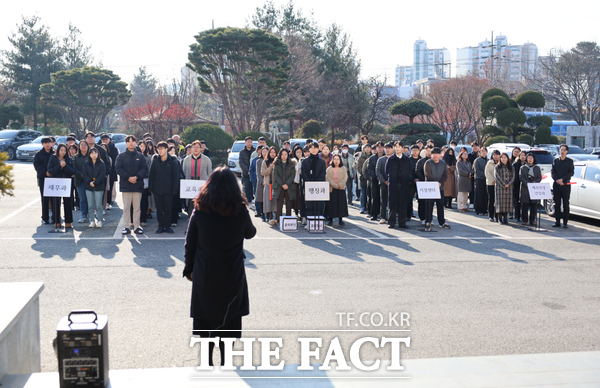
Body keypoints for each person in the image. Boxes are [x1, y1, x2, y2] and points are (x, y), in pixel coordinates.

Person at [183, 167, 256, 367]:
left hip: (205, 274)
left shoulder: (200, 208)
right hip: (231, 274)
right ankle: (226, 366)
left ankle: (207, 366)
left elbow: (190, 243)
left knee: (206, 328)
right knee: (228, 328)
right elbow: (250, 233)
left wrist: (189, 270)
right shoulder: (239, 209)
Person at [115, 135, 149, 235]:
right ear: (126, 143)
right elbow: (118, 168)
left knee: (137, 207)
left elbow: (144, 169)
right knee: (126, 208)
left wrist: (136, 177)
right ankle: (127, 226)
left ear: (135, 143)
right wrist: (128, 177)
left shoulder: (140, 156)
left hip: (137, 184)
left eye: (132, 141)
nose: (130, 143)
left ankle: (137, 226)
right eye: (128, 141)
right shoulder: (121, 156)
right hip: (126, 184)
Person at [148, 141, 180, 234]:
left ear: (166, 149)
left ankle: (167, 226)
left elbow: (176, 176)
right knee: (159, 209)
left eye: (162, 148)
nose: (160, 151)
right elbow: (151, 175)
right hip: (157, 189)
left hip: (169, 189)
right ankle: (161, 225)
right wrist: (151, 188)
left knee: (168, 209)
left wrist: (175, 189)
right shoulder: (155, 160)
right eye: (159, 149)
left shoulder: (173, 160)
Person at [47, 143, 76, 229]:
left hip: (66, 184)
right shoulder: (53, 159)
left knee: (68, 203)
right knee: (56, 203)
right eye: (61, 150)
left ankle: (68, 222)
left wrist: (65, 166)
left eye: (64, 150)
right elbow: (50, 171)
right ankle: (57, 221)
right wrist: (60, 166)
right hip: (56, 183)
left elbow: (72, 171)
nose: (63, 152)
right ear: (58, 150)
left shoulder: (69, 159)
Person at [182, 140, 213, 216]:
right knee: (191, 205)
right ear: (191, 148)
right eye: (194, 147)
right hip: (190, 186)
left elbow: (209, 173)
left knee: (202, 204)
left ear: (201, 149)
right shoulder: (186, 160)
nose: (195, 149)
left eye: (197, 147)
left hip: (202, 186)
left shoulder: (206, 160)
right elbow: (184, 171)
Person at [386, 141, 411, 229]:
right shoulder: (390, 159)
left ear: (402, 148)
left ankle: (402, 222)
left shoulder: (407, 159)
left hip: (404, 184)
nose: (398, 148)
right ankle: (391, 222)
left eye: (399, 147)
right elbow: (387, 171)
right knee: (392, 204)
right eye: (396, 146)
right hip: (393, 184)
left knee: (403, 204)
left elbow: (410, 171)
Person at [424, 147, 450, 230]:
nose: (435, 156)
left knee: (440, 206)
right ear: (431, 155)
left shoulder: (443, 164)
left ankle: (441, 222)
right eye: (434, 154)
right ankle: (428, 221)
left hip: (440, 188)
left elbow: (445, 175)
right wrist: (435, 183)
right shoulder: (428, 163)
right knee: (429, 206)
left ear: (440, 155)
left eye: (437, 154)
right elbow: (428, 174)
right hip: (430, 188)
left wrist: (440, 183)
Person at [301, 142, 327, 220]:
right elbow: (303, 173)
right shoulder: (305, 161)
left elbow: (323, 173)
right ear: (309, 149)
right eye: (312, 148)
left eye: (315, 148)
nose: (314, 150)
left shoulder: (322, 162)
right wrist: (309, 183)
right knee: (309, 205)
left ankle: (318, 221)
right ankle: (309, 222)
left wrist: (316, 183)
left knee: (318, 204)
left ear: (318, 149)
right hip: (308, 187)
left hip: (318, 187)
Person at [551, 144, 575, 228]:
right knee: (557, 204)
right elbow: (552, 172)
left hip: (565, 185)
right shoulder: (555, 161)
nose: (562, 151)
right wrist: (557, 180)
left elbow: (571, 172)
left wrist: (562, 179)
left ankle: (565, 222)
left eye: (564, 150)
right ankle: (557, 221)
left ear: (567, 152)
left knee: (565, 204)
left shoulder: (570, 161)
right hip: (556, 185)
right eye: (561, 149)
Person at [271, 148, 296, 226]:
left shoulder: (291, 163)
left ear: (288, 155)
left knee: (289, 205)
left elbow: (293, 175)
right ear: (280, 155)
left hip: (289, 187)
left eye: (285, 154)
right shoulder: (277, 163)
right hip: (279, 187)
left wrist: (287, 184)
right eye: (282, 154)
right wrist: (282, 184)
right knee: (279, 205)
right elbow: (275, 175)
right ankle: (278, 220)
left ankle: (288, 221)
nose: (284, 156)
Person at [83, 147, 106, 228]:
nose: (94, 155)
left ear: (98, 154)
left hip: (99, 186)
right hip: (89, 186)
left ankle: (99, 220)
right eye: (92, 153)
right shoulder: (86, 163)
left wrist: (95, 183)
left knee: (99, 205)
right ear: (89, 154)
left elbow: (102, 175)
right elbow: (84, 174)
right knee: (90, 205)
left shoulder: (102, 163)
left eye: (95, 153)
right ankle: (92, 220)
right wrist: (90, 182)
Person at [34, 138, 54, 224]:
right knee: (44, 198)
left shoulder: (55, 153)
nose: (47, 144)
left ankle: (55, 217)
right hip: (43, 178)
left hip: (54, 178)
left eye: (49, 143)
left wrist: (51, 172)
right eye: (45, 143)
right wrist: (46, 172)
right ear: (42, 144)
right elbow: (36, 165)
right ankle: (45, 217)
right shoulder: (38, 154)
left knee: (54, 198)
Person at [325, 154, 348, 226]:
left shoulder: (343, 168)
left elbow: (345, 178)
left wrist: (339, 185)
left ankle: (340, 220)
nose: (336, 161)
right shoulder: (329, 168)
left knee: (340, 204)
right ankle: (331, 220)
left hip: (341, 188)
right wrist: (335, 185)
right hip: (332, 189)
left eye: (338, 159)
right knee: (332, 205)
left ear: (340, 160)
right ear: (332, 160)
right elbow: (328, 178)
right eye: (335, 159)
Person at [520, 152, 542, 226]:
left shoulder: (537, 168)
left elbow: (539, 177)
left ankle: (532, 220)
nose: (530, 159)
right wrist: (527, 184)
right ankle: (524, 220)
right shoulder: (523, 167)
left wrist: (534, 183)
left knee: (534, 205)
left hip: (534, 188)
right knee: (525, 205)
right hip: (525, 188)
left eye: (531, 158)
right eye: (528, 158)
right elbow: (521, 177)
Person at [494, 153, 515, 225]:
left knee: (507, 203)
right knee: (500, 203)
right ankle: (500, 218)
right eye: (502, 158)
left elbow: (513, 176)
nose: (503, 159)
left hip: (509, 187)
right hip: (500, 187)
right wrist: (503, 184)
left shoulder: (511, 167)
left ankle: (505, 218)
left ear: (507, 158)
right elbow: (497, 177)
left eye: (505, 157)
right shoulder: (497, 167)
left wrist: (509, 183)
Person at [366, 142, 384, 221]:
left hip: (384, 181)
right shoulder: (372, 158)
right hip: (374, 181)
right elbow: (369, 169)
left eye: (381, 147)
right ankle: (374, 214)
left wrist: (382, 177)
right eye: (378, 147)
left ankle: (383, 215)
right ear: (376, 148)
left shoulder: (386, 157)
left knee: (383, 198)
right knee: (374, 197)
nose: (380, 149)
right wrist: (375, 176)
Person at [376, 142, 393, 224]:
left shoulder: (394, 159)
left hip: (393, 183)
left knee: (392, 201)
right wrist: (385, 181)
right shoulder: (381, 159)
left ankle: (392, 218)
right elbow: (378, 171)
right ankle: (382, 217)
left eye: (389, 148)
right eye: (386, 148)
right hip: (383, 183)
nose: (388, 150)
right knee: (383, 200)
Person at [73, 141, 90, 223]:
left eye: (85, 145)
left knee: (90, 199)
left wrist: (86, 175)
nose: (83, 146)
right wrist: (81, 174)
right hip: (80, 181)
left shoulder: (91, 156)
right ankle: (83, 215)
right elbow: (74, 169)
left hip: (90, 181)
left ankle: (91, 215)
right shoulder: (76, 157)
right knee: (82, 199)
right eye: (81, 145)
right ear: (79, 146)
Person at [415, 146, 432, 225]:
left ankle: (429, 219)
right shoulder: (421, 161)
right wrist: (424, 179)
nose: (429, 152)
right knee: (422, 202)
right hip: (422, 183)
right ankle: (422, 218)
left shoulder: (435, 161)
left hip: (432, 184)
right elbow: (417, 171)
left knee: (430, 203)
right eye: (427, 151)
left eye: (430, 151)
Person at [260, 146, 278, 224]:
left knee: (276, 202)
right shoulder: (265, 161)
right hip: (268, 184)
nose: (272, 154)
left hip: (277, 184)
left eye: (274, 152)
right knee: (268, 201)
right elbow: (262, 172)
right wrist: (270, 168)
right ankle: (270, 218)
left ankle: (277, 218)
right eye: (271, 152)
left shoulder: (278, 161)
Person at [101, 134, 119, 206]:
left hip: (111, 170)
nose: (104, 141)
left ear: (109, 139)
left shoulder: (114, 149)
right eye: (103, 139)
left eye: (106, 139)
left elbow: (115, 159)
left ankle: (108, 201)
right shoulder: (100, 147)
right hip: (101, 170)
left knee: (110, 186)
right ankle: (103, 202)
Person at [355, 144, 371, 214]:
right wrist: (365, 174)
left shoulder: (373, 156)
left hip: (371, 178)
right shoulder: (360, 157)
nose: (367, 149)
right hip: (363, 178)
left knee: (370, 194)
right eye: (366, 147)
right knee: (363, 193)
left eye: (368, 147)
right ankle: (362, 207)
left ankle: (369, 207)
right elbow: (358, 167)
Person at [485, 150, 500, 222]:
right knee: (491, 199)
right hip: (491, 184)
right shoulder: (489, 163)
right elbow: (487, 173)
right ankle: (491, 215)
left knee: (498, 200)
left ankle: (497, 216)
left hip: (499, 184)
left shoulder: (501, 163)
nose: (496, 156)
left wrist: (498, 180)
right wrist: (493, 180)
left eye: (497, 155)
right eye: (494, 155)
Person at [407, 145, 421, 221]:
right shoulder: (408, 160)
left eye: (416, 150)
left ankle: (422, 216)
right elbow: (407, 171)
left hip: (421, 182)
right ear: (411, 151)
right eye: (413, 150)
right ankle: (409, 214)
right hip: (410, 182)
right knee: (409, 199)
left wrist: (419, 178)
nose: (415, 151)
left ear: (419, 151)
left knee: (421, 200)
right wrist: (413, 179)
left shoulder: (422, 160)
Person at [239, 136, 255, 203]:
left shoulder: (255, 151)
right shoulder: (242, 152)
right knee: (247, 186)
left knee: (252, 187)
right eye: (248, 142)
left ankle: (252, 198)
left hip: (254, 172)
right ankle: (249, 201)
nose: (249, 143)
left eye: (250, 142)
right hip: (246, 173)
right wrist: (247, 171)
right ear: (245, 142)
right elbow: (241, 162)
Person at [249, 145, 264, 218]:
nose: (261, 151)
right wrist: (252, 179)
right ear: (257, 151)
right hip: (256, 180)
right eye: (259, 150)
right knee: (257, 195)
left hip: (265, 181)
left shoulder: (266, 160)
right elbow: (251, 170)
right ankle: (258, 211)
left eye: (262, 150)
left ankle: (265, 210)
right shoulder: (254, 160)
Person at [512, 151, 527, 222]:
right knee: (517, 201)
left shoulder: (528, 164)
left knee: (525, 202)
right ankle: (517, 216)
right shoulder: (515, 164)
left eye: (524, 155)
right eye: (521, 155)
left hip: (526, 185)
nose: (523, 157)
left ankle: (525, 217)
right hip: (517, 185)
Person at [473, 147, 489, 216]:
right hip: (479, 179)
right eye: (482, 151)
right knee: (479, 195)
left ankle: (485, 209)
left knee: (486, 195)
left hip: (487, 180)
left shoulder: (489, 160)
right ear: (479, 152)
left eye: (485, 151)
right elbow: (477, 171)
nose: (484, 152)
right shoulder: (477, 160)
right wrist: (486, 175)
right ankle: (478, 210)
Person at [255, 146, 268, 222]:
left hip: (269, 182)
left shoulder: (270, 161)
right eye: (263, 151)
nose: (264, 153)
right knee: (261, 199)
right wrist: (262, 181)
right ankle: (263, 215)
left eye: (266, 151)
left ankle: (269, 215)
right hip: (261, 183)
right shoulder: (258, 161)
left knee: (269, 199)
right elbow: (258, 173)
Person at [468, 142, 480, 207]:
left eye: (476, 146)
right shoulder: (469, 155)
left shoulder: (481, 155)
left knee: (479, 189)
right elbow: (468, 165)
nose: (475, 147)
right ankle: (471, 202)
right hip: (472, 174)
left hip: (480, 174)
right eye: (473, 146)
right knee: (472, 188)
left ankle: (478, 203)